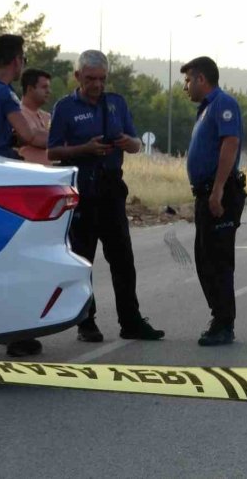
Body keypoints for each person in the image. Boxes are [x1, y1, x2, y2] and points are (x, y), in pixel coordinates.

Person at [47, 50, 164, 342]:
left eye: (101, 79)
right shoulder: (65, 107)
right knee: (83, 260)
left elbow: (136, 143)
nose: (97, 85)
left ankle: (131, 321)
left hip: (112, 190)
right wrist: (82, 149)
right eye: (90, 79)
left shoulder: (117, 104)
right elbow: (52, 151)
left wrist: (129, 142)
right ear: (77, 77)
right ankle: (86, 322)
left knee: (123, 258)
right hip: (82, 192)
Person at [0, 35, 49, 358]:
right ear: (18, 61)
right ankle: (17, 336)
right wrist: (67, 139)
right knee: (8, 260)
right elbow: (29, 134)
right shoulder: (0, 93)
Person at [181, 56, 247, 346]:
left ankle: (224, 324)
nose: (186, 87)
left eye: (188, 80)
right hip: (205, 192)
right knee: (204, 259)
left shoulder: (223, 104)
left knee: (218, 260)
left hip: (219, 192)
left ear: (201, 79)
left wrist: (218, 189)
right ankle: (218, 317)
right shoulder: (205, 110)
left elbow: (229, 144)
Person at [18, 68, 52, 165]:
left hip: (50, 175)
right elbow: (37, 138)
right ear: (30, 89)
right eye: (44, 87)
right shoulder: (16, 114)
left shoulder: (47, 116)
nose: (49, 91)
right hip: (27, 175)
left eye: (49, 87)